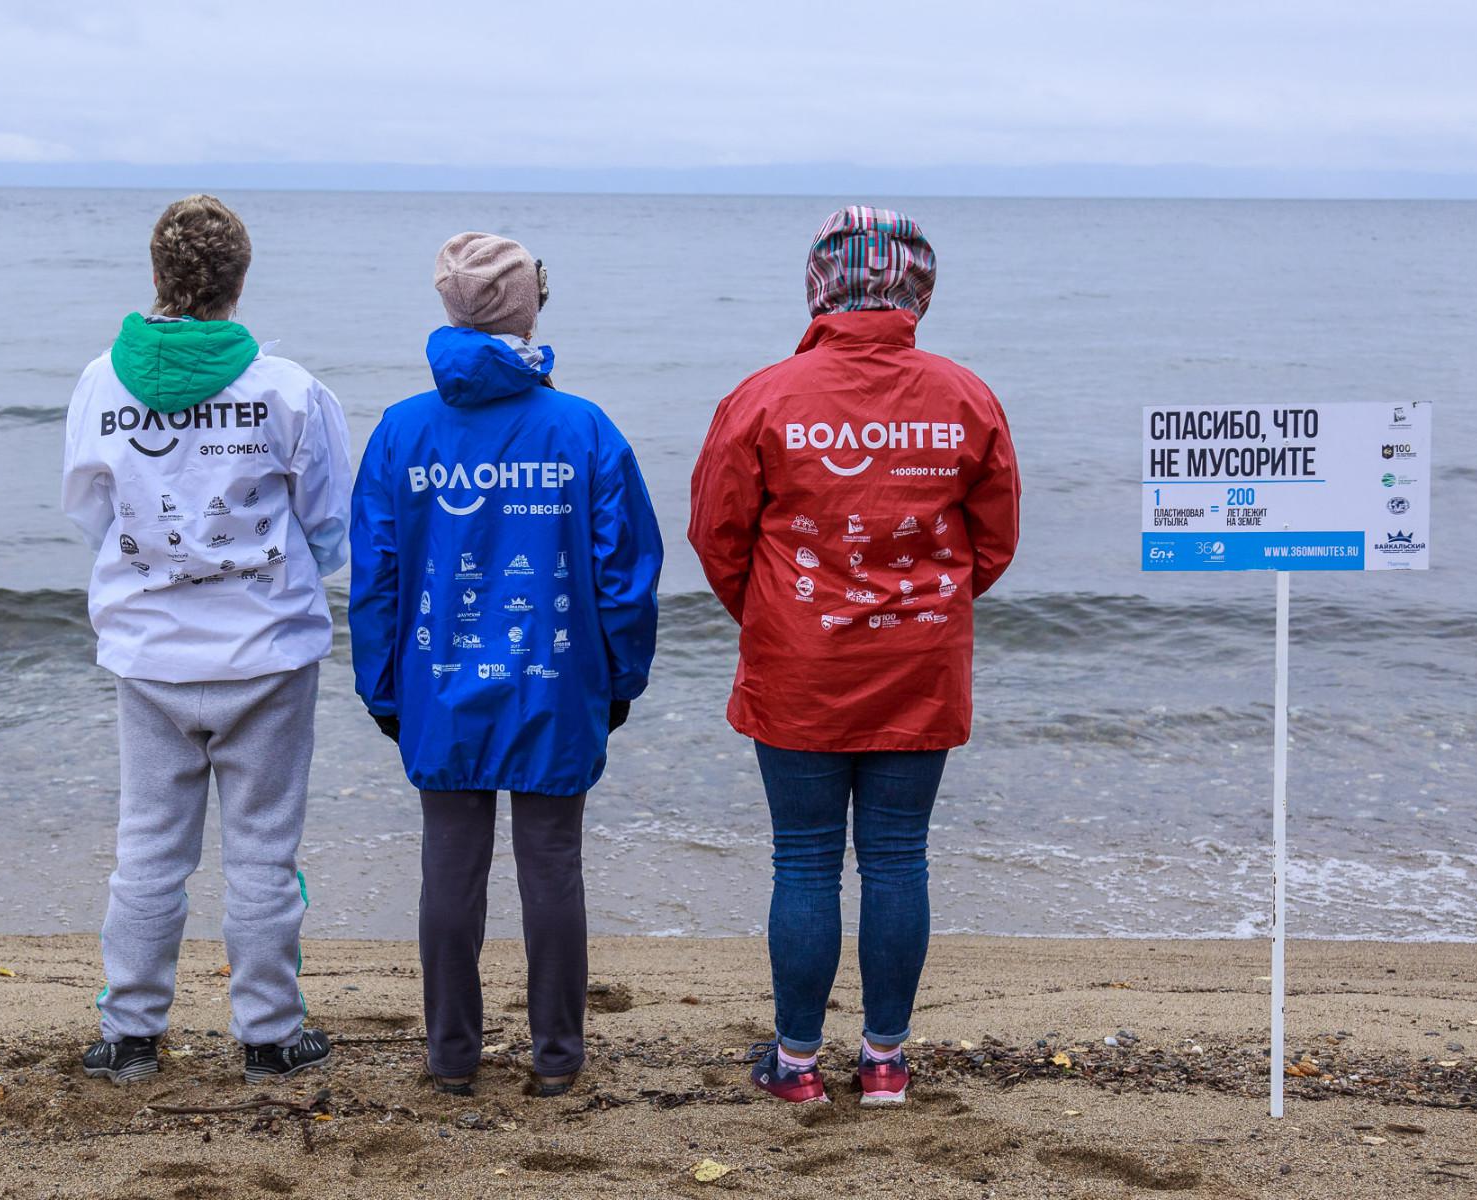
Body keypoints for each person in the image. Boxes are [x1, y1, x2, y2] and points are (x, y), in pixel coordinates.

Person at [689, 206, 1020, 1105]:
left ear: (818, 285)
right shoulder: (966, 396)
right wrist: (925, 610)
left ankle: (797, 1065)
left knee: (803, 860)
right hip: (920, 662)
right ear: (919, 288)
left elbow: (716, 536)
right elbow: (994, 542)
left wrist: (775, 617)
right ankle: (884, 1062)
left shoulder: (765, 396)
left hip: (800, 665)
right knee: (897, 858)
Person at [349, 233, 662, 1098]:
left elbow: (375, 576)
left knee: (449, 867)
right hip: (556, 685)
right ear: (531, 311)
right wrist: (621, 679)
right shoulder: (582, 428)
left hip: (438, 684)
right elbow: (627, 576)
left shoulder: (403, 429)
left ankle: (452, 1056)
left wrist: (382, 689)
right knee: (552, 864)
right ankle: (557, 1057)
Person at [61, 194, 352, 1086]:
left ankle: (129, 1033)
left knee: (150, 846)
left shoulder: (101, 383)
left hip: (149, 650)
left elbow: (90, 510)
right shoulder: (287, 389)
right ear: (239, 279)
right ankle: (268, 1033)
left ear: (157, 274)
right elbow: (329, 525)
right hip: (266, 652)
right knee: (263, 849)